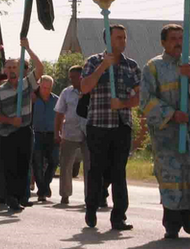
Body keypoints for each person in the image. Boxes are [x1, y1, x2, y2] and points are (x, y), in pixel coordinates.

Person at [140, 24, 190, 239]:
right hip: (167, 134)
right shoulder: (153, 67)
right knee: (171, 178)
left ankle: (189, 219)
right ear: (164, 42)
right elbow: (145, 100)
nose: (178, 42)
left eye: (181, 38)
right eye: (173, 38)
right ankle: (172, 225)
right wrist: (171, 113)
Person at [81, 24, 140, 231]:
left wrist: (123, 104)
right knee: (96, 170)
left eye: (124, 38)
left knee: (118, 172)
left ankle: (119, 217)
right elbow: (85, 87)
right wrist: (103, 67)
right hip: (98, 124)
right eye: (118, 38)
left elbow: (139, 96)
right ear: (108, 40)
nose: (122, 41)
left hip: (121, 125)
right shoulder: (93, 61)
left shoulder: (130, 65)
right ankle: (91, 208)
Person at [0, 39, 44, 212]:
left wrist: (28, 48)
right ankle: (11, 197)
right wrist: (11, 120)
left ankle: (19, 197)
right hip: (7, 133)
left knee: (23, 165)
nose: (11, 70)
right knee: (9, 166)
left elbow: (40, 69)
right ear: (5, 70)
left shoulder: (26, 83)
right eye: (9, 68)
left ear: (20, 69)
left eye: (15, 67)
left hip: (25, 131)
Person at [55, 66, 89, 205]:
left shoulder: (91, 90)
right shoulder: (66, 92)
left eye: (74, 77)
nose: (71, 79)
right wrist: (57, 132)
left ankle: (90, 197)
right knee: (65, 165)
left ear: (82, 77)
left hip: (88, 133)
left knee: (90, 167)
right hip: (69, 133)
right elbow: (59, 113)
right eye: (70, 77)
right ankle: (65, 195)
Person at [31, 75, 59, 202]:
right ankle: (42, 191)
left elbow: (61, 117)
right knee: (37, 162)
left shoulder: (56, 100)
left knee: (53, 161)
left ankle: (44, 186)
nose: (45, 90)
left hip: (52, 134)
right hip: (36, 133)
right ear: (39, 86)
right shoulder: (33, 99)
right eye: (43, 87)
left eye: (48, 88)